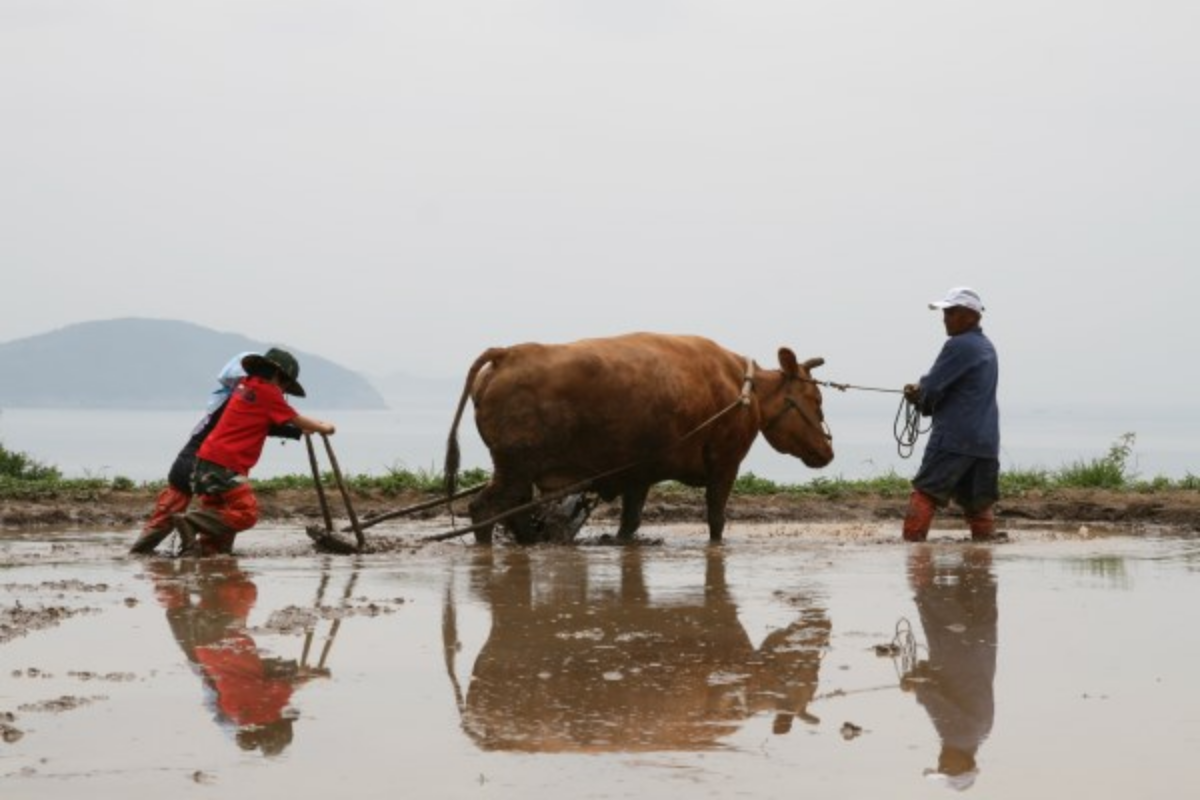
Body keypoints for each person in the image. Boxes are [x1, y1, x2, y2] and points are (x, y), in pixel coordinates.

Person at [130, 353, 300, 555]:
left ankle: (141, 553)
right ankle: (209, 549)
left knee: (166, 516)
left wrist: (296, 431)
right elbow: (265, 424)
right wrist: (298, 429)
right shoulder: (248, 400)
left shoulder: (234, 397)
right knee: (228, 514)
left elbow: (263, 425)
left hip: (185, 460)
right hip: (210, 464)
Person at [173, 348, 335, 557]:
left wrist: (301, 430)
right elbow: (295, 419)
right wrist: (325, 427)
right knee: (246, 513)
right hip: (225, 464)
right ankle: (190, 521)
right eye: (285, 385)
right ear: (277, 376)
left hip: (206, 459)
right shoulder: (269, 392)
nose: (283, 392)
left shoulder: (246, 385)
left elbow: (264, 421)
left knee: (220, 514)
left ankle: (208, 555)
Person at [902, 287, 1001, 542]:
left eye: (950, 312)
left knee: (924, 493)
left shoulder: (958, 345)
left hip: (954, 439)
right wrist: (925, 393)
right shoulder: (987, 347)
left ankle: (912, 551)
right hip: (986, 442)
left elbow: (933, 387)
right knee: (979, 504)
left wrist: (918, 396)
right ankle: (983, 555)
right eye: (945, 313)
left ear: (970, 316)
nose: (944, 319)